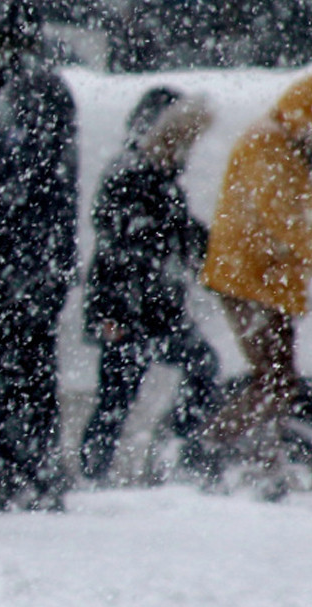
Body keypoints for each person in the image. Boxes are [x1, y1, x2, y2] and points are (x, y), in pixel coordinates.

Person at [199, 68, 312, 500]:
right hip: (248, 279)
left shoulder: (291, 146)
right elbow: (286, 224)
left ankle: (263, 460)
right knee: (276, 380)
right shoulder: (269, 144)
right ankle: (212, 446)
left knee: (279, 379)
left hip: (268, 280)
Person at [78, 87, 221, 482]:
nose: (186, 151)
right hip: (127, 311)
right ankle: (99, 472)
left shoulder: (160, 178)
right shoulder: (129, 175)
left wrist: (215, 252)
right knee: (117, 398)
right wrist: (113, 315)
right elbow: (119, 251)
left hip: (156, 310)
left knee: (195, 366)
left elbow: (181, 235)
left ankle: (175, 448)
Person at [0, 0, 79, 512]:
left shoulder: (30, 91)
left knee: (22, 369)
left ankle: (23, 474)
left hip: (23, 262)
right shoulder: (31, 87)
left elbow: (18, 176)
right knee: (25, 369)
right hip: (30, 260)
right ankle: (24, 472)